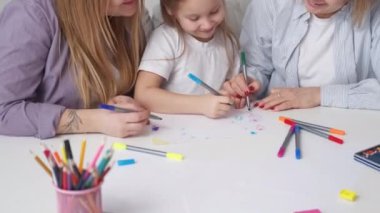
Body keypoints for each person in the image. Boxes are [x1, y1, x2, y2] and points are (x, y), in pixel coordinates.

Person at [0, 0, 153, 139]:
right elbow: (4, 112)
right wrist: (95, 121)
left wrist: (113, 103)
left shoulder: (125, 15)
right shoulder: (30, 16)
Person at [223, 0, 380, 111]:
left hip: (351, 125)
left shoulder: (374, 13)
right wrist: (250, 81)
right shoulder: (269, 4)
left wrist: (317, 95)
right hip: (278, 123)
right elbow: (257, 66)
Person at [134, 0, 247, 118]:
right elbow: (143, 96)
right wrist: (201, 105)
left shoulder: (228, 41)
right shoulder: (167, 39)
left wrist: (234, 94)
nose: (207, 24)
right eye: (194, 18)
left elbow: (228, 86)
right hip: (174, 130)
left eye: (214, 12)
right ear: (171, 10)